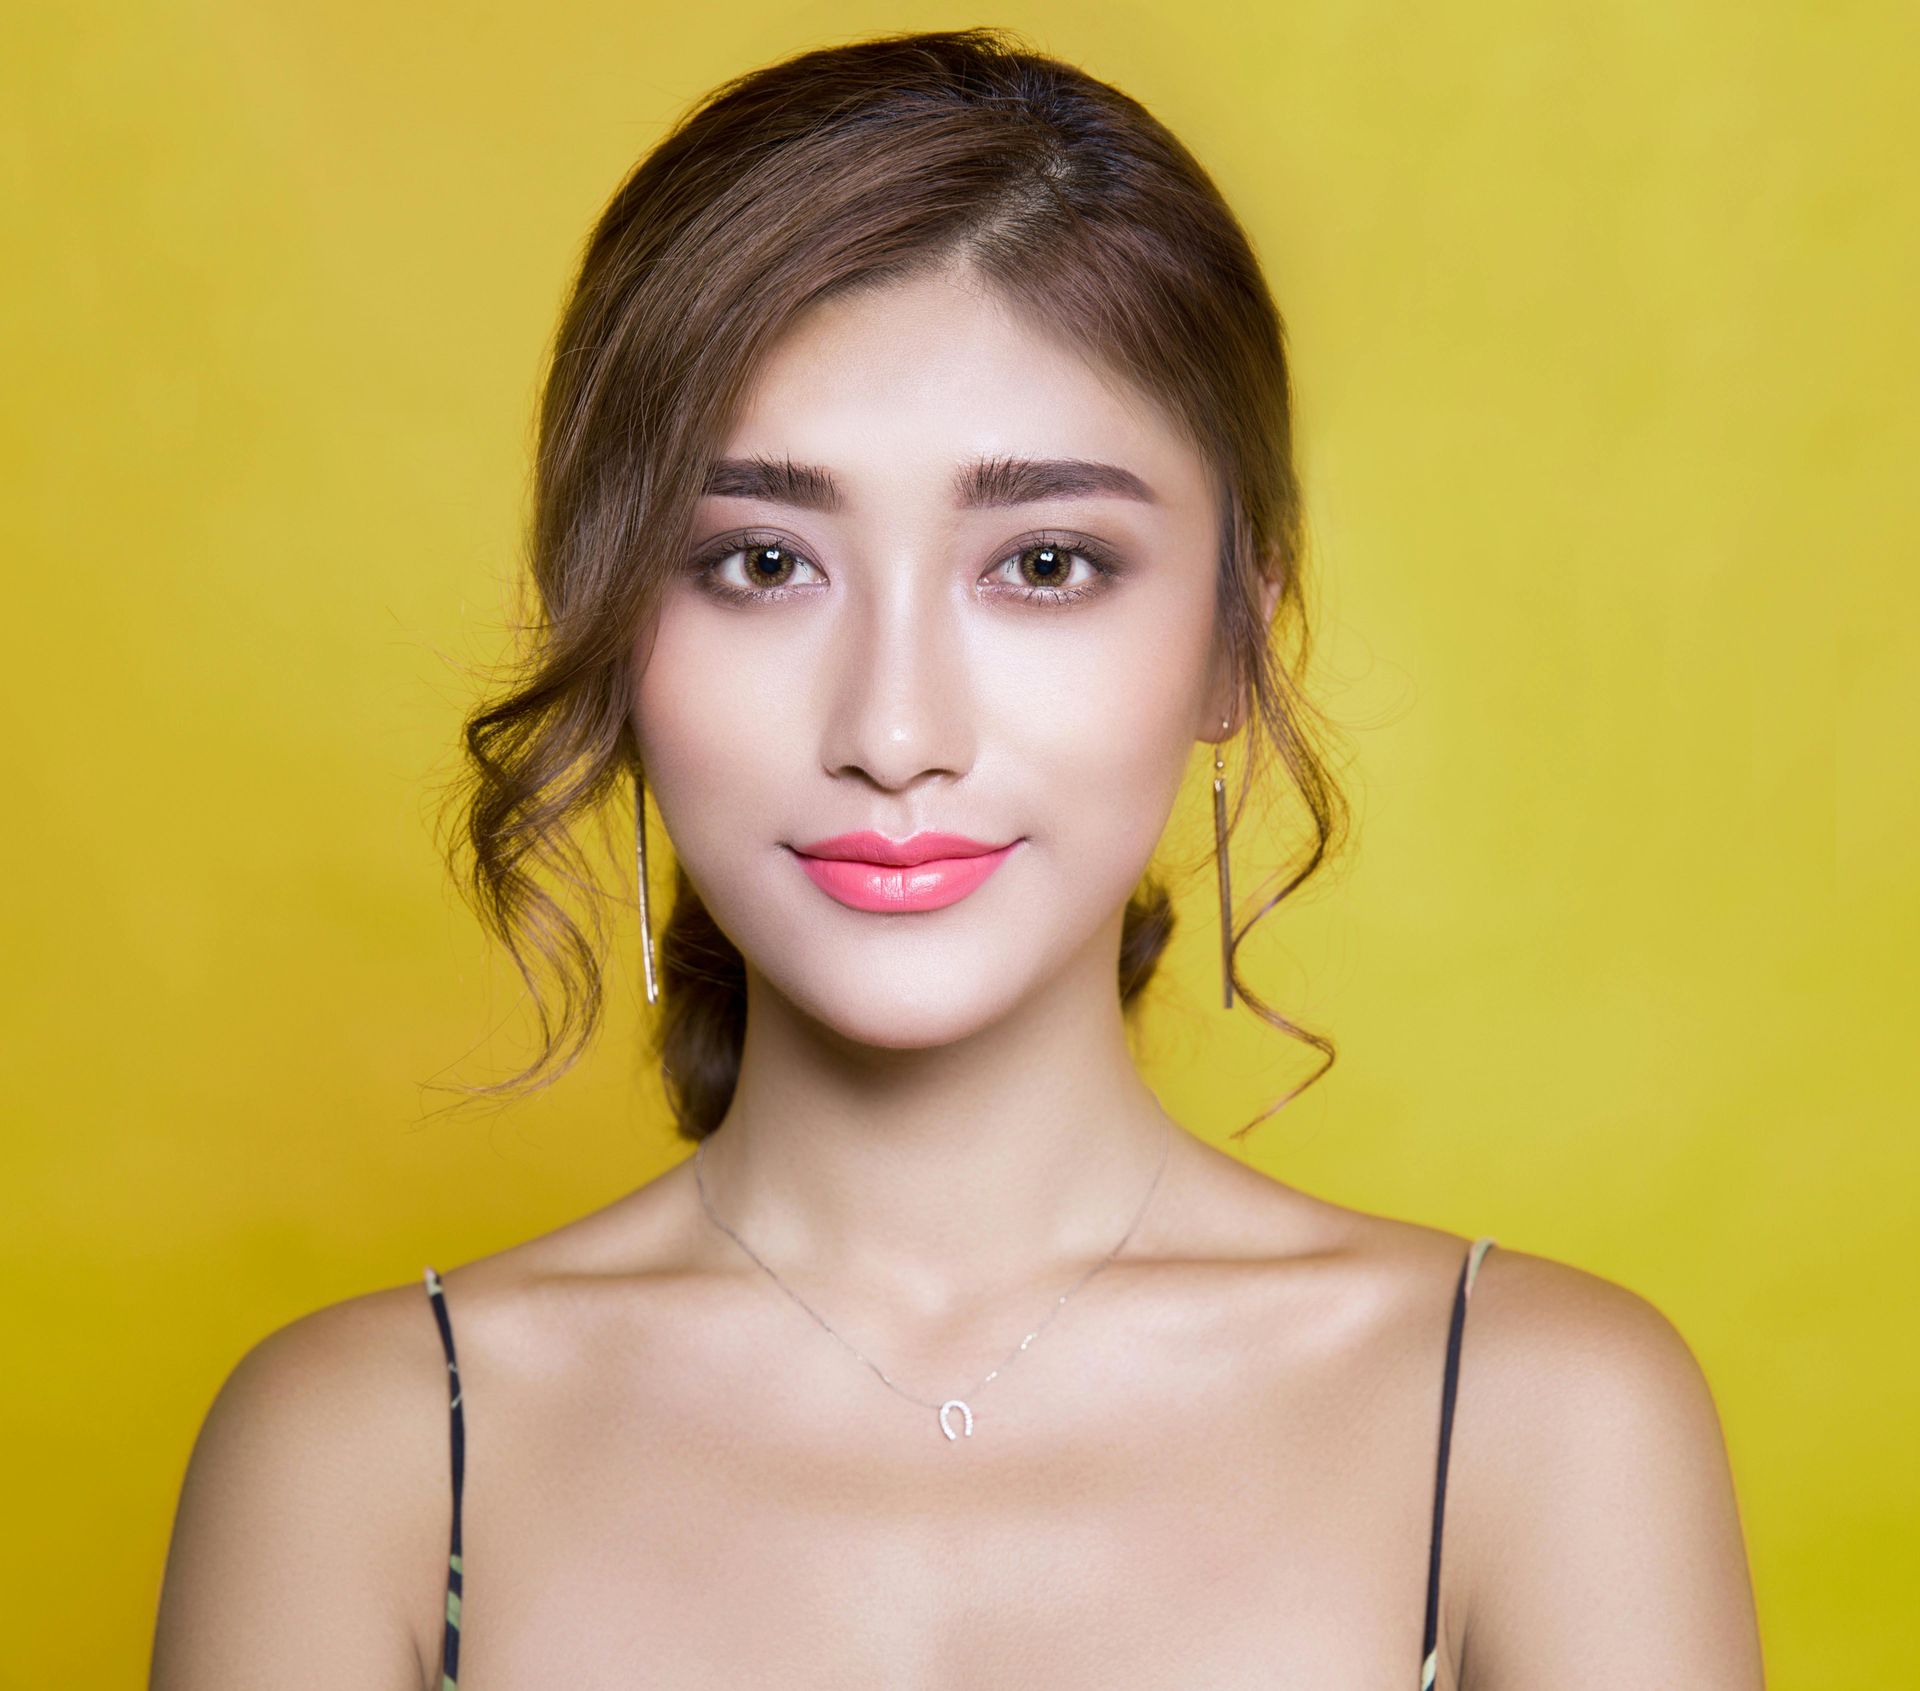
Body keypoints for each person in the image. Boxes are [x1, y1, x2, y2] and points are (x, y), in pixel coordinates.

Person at [151, 28, 1764, 1689]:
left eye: (1045, 563)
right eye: (762, 562)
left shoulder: (1537, 1424)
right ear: (606, 622)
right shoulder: (360, 1459)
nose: (896, 729)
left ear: (1236, 637)